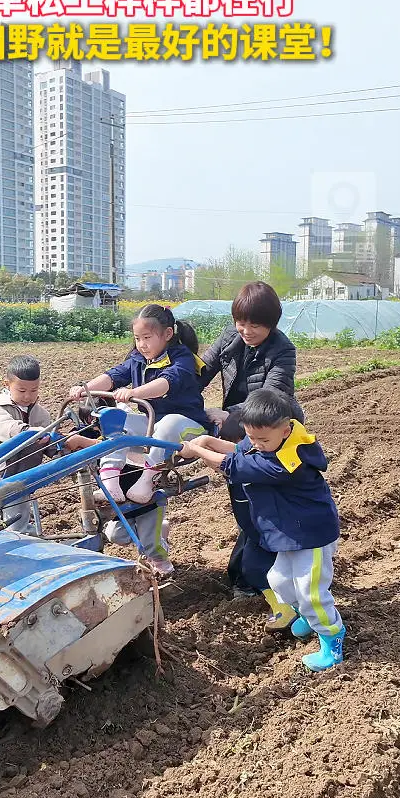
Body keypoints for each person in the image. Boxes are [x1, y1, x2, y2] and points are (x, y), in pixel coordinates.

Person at [180, 390, 345, 672]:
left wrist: (197, 450)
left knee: (311, 593)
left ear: (285, 430)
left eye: (262, 440)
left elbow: (234, 465)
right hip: (290, 533)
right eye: (250, 437)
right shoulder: (271, 439)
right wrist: (207, 441)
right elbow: (242, 451)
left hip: (311, 535)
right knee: (278, 580)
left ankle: (333, 639)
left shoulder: (288, 461)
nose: (256, 444)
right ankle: (306, 616)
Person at [198, 281, 304, 602]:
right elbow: (199, 372)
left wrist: (227, 413)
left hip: (270, 437)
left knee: (259, 509)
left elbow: (271, 397)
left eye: (255, 324)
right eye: (240, 322)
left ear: (272, 323)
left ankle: (253, 581)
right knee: (245, 507)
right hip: (238, 433)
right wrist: (173, 389)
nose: (246, 330)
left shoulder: (282, 350)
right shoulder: (230, 338)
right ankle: (248, 577)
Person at [69, 304, 211, 506]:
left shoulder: (182, 358)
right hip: (153, 422)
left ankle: (147, 480)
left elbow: (166, 383)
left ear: (167, 334)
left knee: (169, 423)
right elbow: (113, 376)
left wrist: (134, 393)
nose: (141, 344)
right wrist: (85, 389)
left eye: (147, 338)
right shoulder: (138, 359)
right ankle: (110, 482)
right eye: (137, 338)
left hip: (189, 426)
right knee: (119, 421)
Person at [0, 354, 52, 533]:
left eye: (34, 390)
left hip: (19, 481)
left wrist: (64, 444)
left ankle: (20, 540)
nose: (28, 396)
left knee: (16, 528)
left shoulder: (41, 415)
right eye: (22, 391)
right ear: (7, 384)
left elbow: (50, 442)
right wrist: (34, 433)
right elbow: (10, 430)